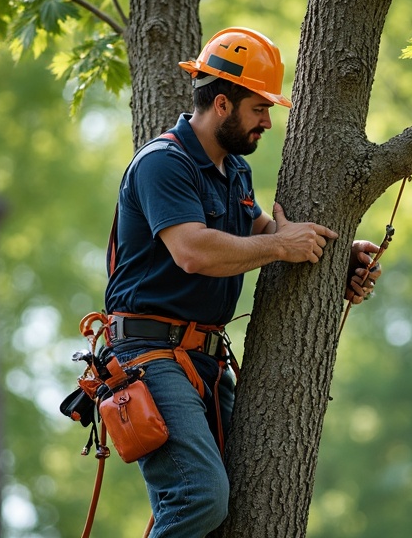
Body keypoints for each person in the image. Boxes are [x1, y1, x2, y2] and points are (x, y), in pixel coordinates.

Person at [103, 27, 381, 537]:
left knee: (248, 494)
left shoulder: (234, 171)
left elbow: (257, 231)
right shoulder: (163, 163)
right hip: (150, 354)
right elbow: (192, 251)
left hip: (203, 359)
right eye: (259, 109)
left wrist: (336, 258)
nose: (268, 123)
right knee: (200, 499)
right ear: (224, 104)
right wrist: (279, 245)